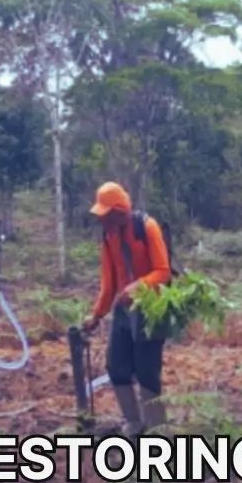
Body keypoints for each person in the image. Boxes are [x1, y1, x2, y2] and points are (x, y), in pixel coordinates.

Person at [81, 182, 172, 435]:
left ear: (120, 211)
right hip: (123, 312)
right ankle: (133, 422)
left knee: (146, 371)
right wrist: (96, 315)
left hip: (151, 307)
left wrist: (137, 287)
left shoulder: (147, 227)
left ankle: (158, 429)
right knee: (116, 366)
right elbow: (109, 284)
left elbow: (162, 272)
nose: (103, 221)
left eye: (107, 215)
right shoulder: (108, 237)